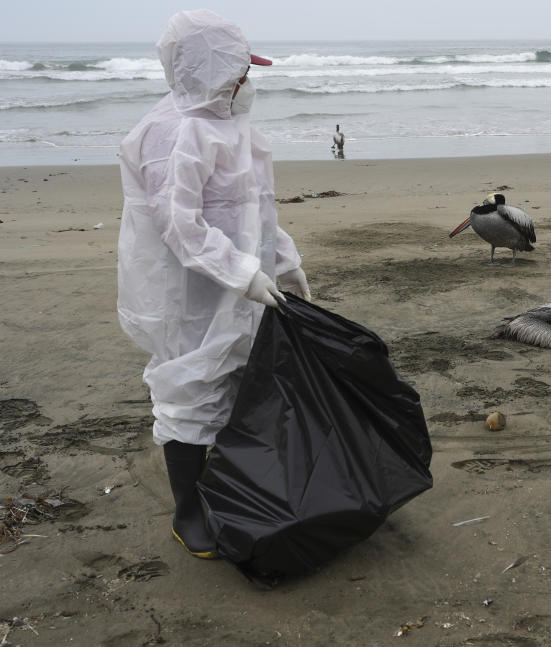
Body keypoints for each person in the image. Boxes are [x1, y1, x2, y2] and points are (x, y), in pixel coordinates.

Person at [117, 10, 311, 559]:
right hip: (184, 291)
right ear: (212, 68)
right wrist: (242, 272)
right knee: (190, 387)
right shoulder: (172, 133)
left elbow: (256, 212)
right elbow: (179, 222)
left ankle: (225, 489)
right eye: (241, 69)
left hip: (235, 284)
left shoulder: (236, 129)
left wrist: (282, 259)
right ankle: (186, 512)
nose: (248, 80)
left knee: (237, 383)